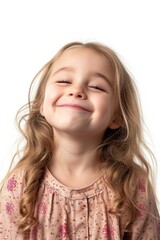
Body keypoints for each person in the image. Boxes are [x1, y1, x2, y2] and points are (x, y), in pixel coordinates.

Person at [0, 42, 159, 240]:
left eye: (96, 87)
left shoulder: (132, 185)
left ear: (116, 116)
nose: (76, 91)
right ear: (42, 103)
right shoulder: (21, 185)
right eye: (65, 81)